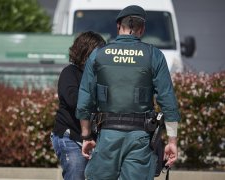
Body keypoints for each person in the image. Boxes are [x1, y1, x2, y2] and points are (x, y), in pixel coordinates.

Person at [76, 5, 180, 180]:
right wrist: (172, 141)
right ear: (143, 29)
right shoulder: (154, 55)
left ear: (118, 26)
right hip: (140, 138)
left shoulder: (98, 54)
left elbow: (85, 98)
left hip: (107, 135)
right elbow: (168, 100)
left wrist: (86, 136)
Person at [51, 31, 106, 180]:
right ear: (85, 52)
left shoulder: (102, 75)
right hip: (71, 137)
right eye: (98, 51)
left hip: (94, 139)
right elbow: (74, 101)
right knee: (76, 175)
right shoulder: (70, 73)